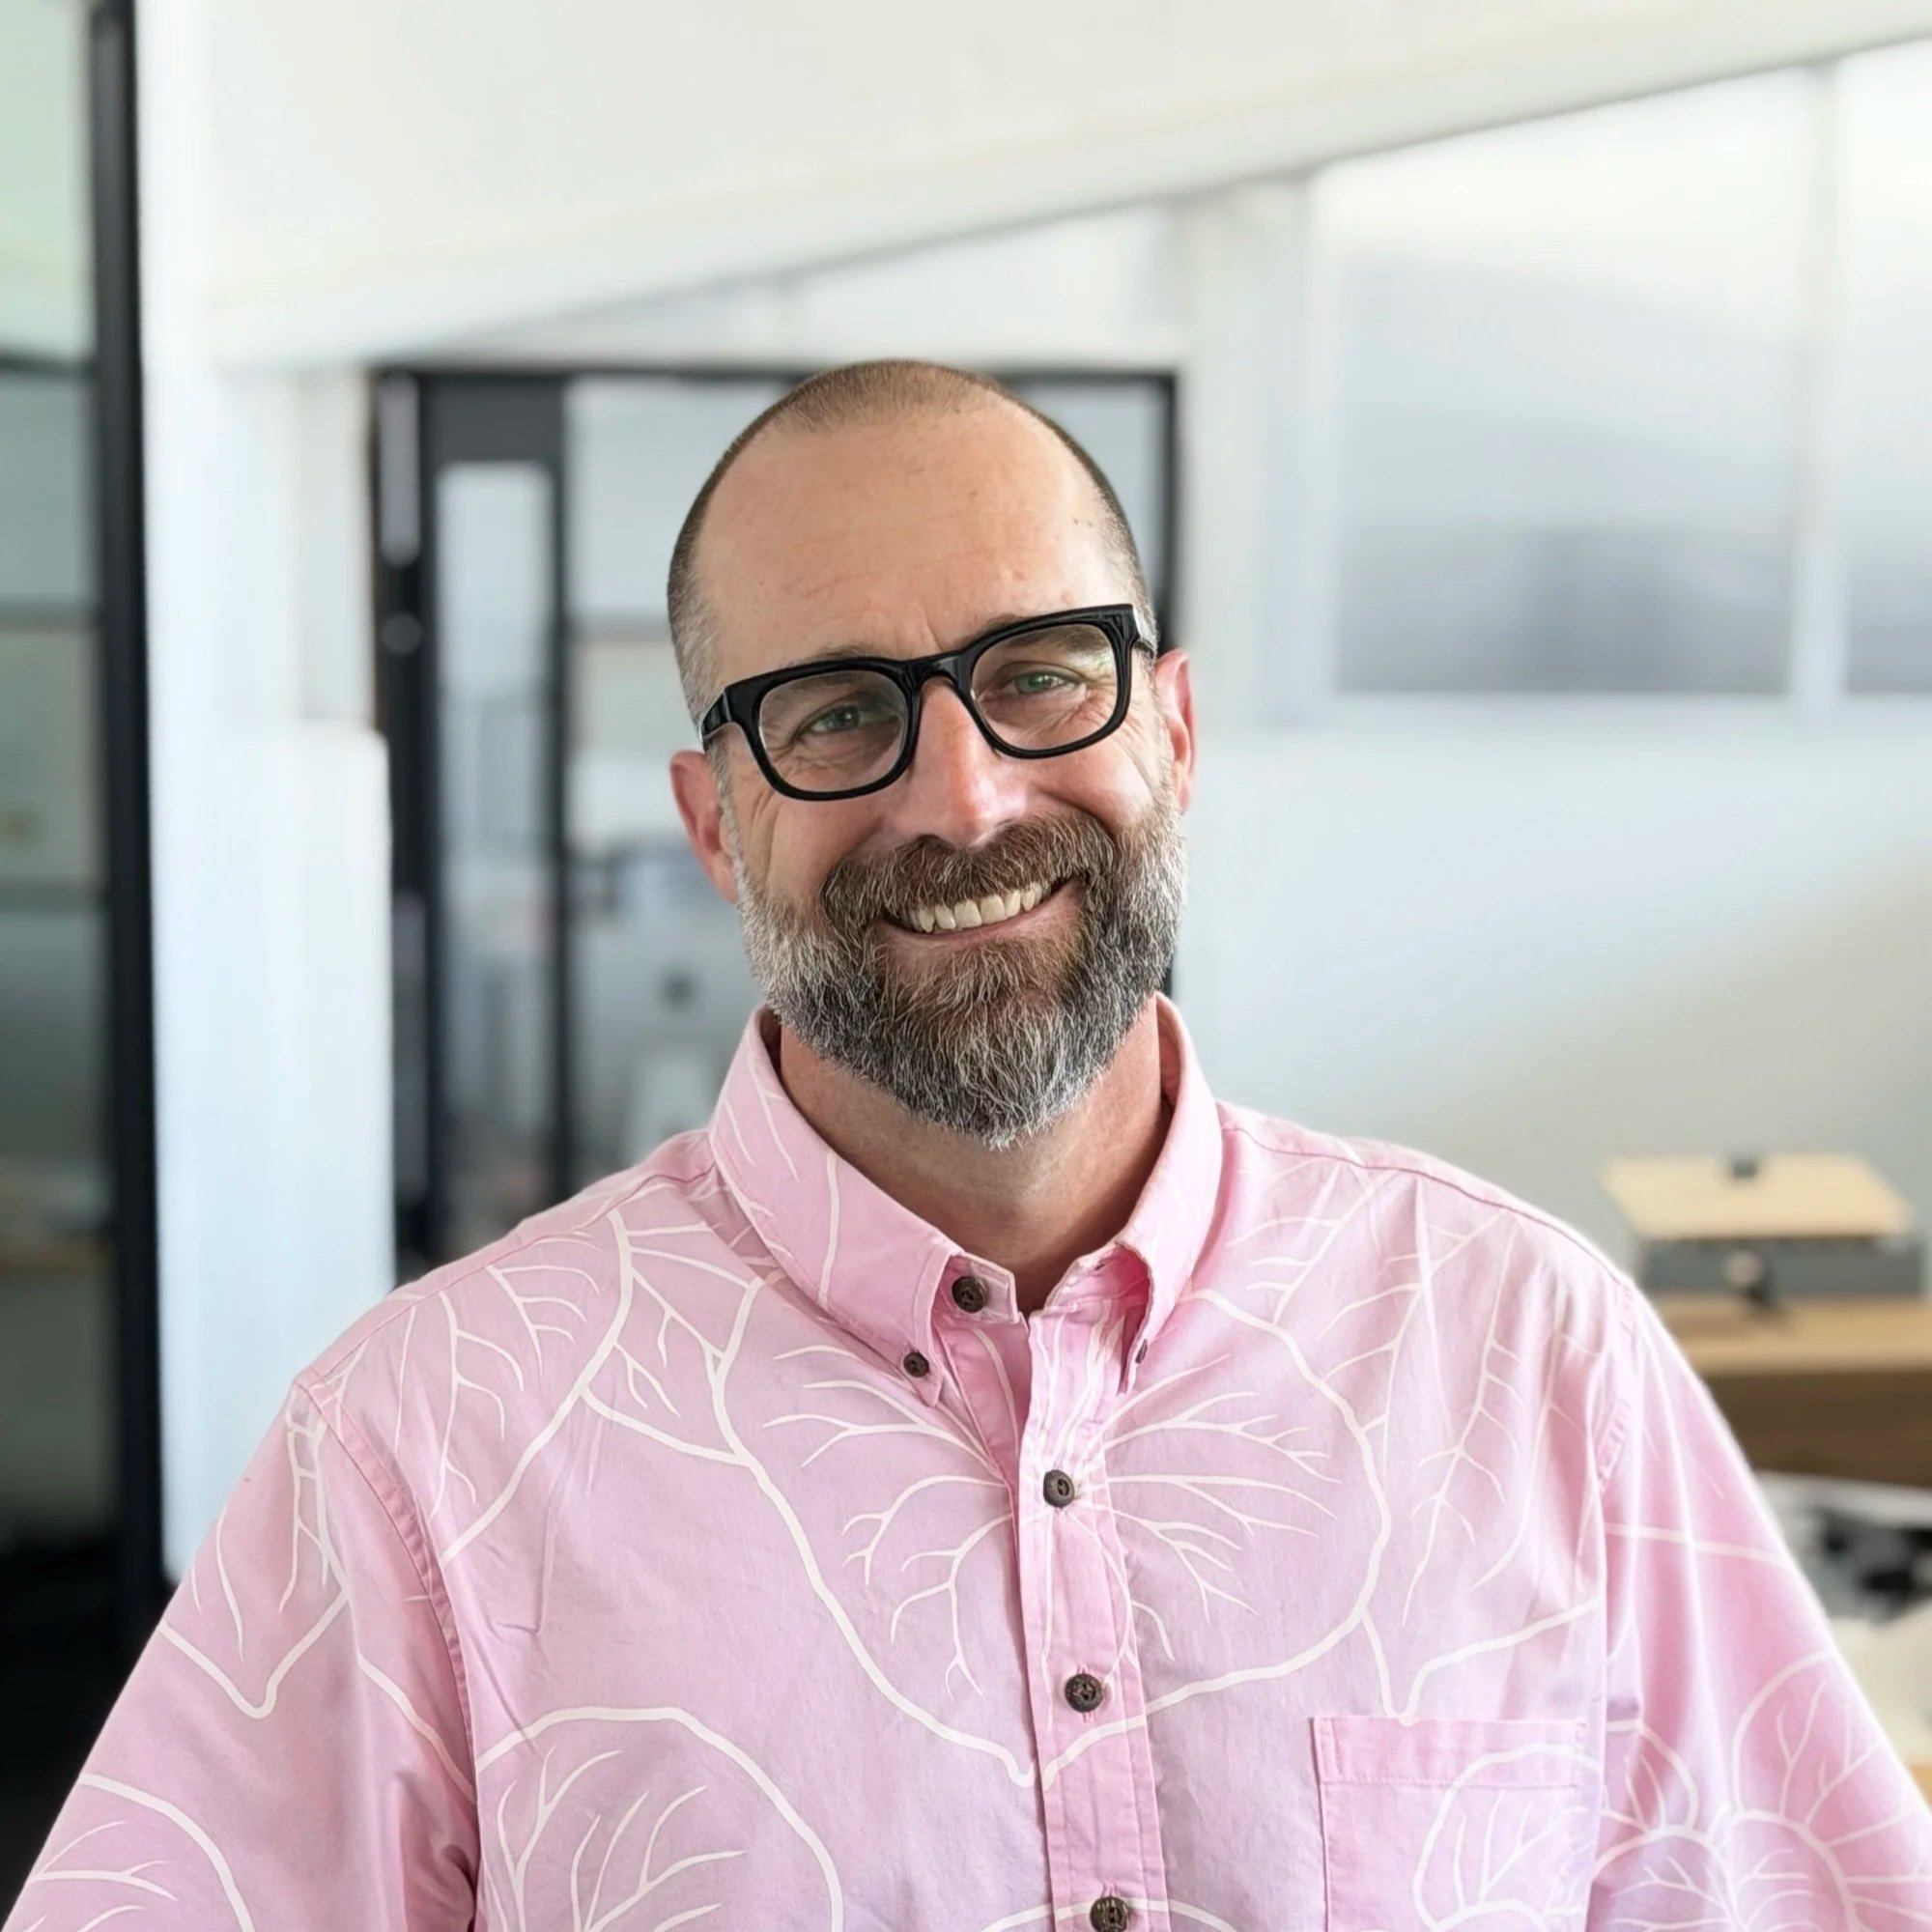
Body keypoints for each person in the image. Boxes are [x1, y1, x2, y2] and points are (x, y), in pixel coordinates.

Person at [10, 359, 1929, 1932]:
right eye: (836, 711)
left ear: (1168, 727)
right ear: (712, 821)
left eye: (1037, 674)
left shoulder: (1533, 1355)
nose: (964, 795)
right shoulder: (418, 1455)